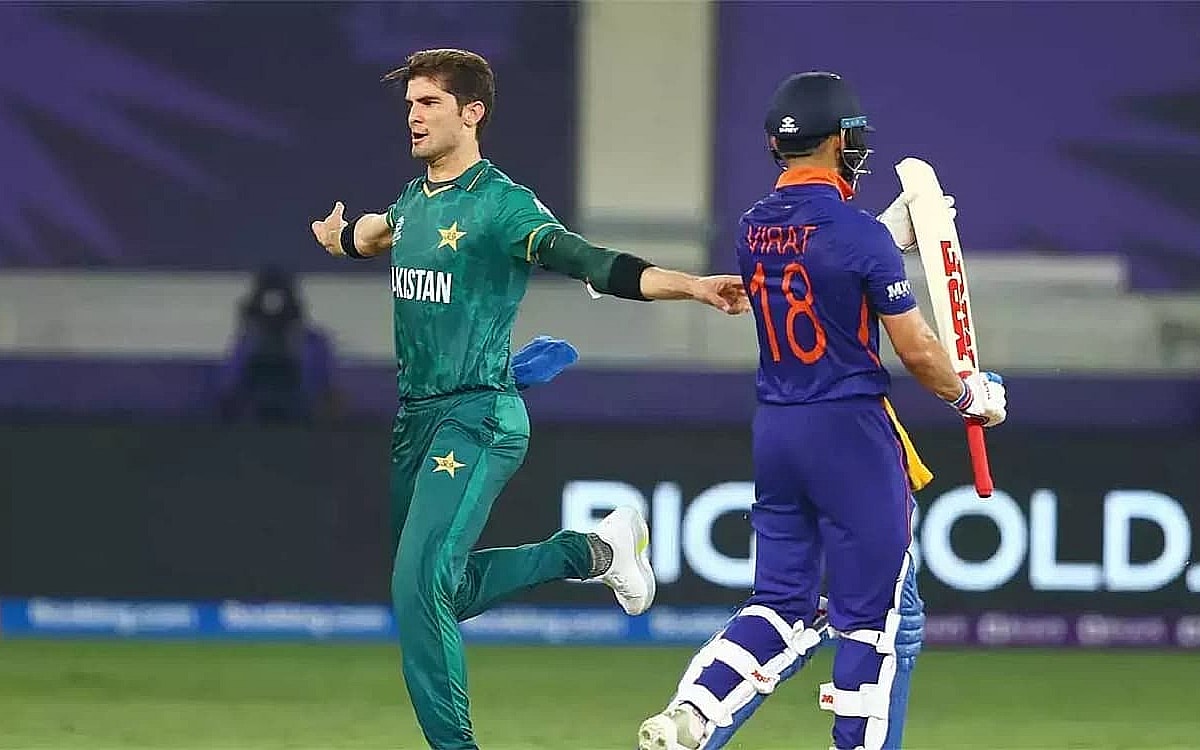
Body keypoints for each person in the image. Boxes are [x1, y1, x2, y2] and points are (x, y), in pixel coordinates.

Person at [308, 48, 750, 750]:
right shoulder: (413, 202)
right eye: (410, 104)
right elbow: (377, 232)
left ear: (471, 113)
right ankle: (592, 552)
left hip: (478, 416)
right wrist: (340, 238)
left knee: (418, 587)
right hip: (417, 420)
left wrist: (693, 286)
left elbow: (591, 263)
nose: (413, 116)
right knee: (442, 590)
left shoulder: (502, 206)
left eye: (429, 103)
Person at [636, 72, 1008, 750]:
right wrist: (970, 395)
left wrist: (884, 235)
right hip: (851, 434)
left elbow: (814, 262)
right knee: (875, 620)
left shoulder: (753, 227)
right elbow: (917, 349)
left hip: (779, 431)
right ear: (840, 141)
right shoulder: (857, 235)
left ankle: (695, 709)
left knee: (782, 603)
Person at [218, 265, 337, 423]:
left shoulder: (311, 344)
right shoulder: (247, 344)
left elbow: (325, 391)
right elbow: (228, 389)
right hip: (254, 421)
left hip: (300, 421)